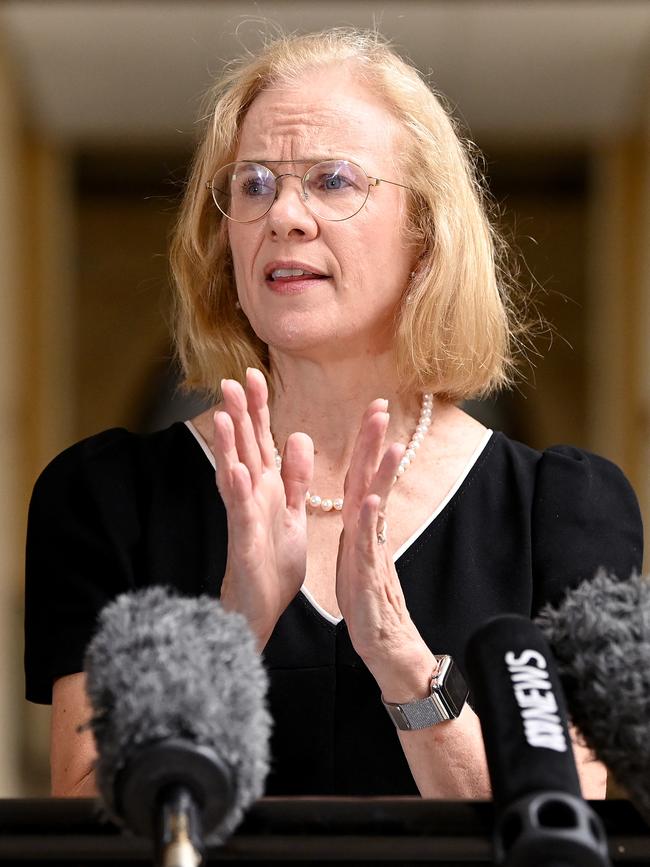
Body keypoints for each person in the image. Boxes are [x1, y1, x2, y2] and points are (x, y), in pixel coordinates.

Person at [25, 28, 642, 799]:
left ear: (427, 232)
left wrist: (402, 661)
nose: (284, 213)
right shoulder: (105, 500)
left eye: (333, 180)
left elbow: (564, 820)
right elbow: (89, 812)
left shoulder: (566, 509)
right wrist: (233, 625)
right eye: (253, 184)